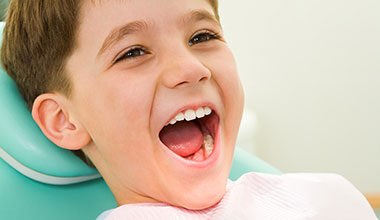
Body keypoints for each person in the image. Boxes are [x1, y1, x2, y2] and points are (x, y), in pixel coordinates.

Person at [1, 0, 377, 219]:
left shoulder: (327, 196)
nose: (192, 68)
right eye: (133, 52)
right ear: (64, 120)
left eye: (202, 36)